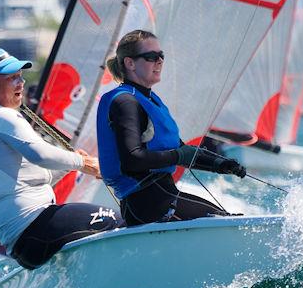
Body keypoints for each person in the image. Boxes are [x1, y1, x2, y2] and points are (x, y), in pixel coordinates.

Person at [0, 48, 121, 270]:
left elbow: (31, 177)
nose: (20, 83)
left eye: (20, 76)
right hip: (40, 226)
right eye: (11, 78)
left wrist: (69, 166)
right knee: (122, 222)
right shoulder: (0, 116)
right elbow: (41, 154)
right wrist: (84, 163)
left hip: (23, 248)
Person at [97, 29, 247, 226]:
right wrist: (178, 156)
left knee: (229, 221)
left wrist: (220, 164)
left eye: (161, 56)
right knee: (231, 227)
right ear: (130, 63)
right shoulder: (125, 102)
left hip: (163, 196)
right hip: (146, 205)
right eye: (151, 57)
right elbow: (132, 159)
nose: (159, 61)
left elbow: (181, 149)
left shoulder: (149, 100)